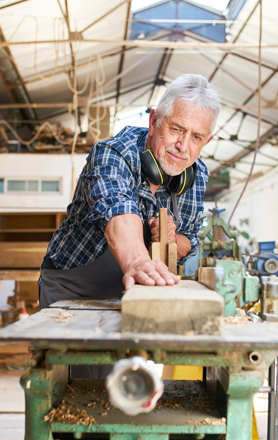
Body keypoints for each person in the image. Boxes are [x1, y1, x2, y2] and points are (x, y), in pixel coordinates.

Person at [39, 73, 221, 309]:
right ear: (154, 121)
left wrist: (172, 240)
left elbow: (191, 239)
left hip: (136, 291)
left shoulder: (196, 175)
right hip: (71, 290)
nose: (183, 146)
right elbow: (118, 212)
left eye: (196, 137)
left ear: (207, 141)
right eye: (176, 129)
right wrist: (137, 261)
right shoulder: (112, 154)